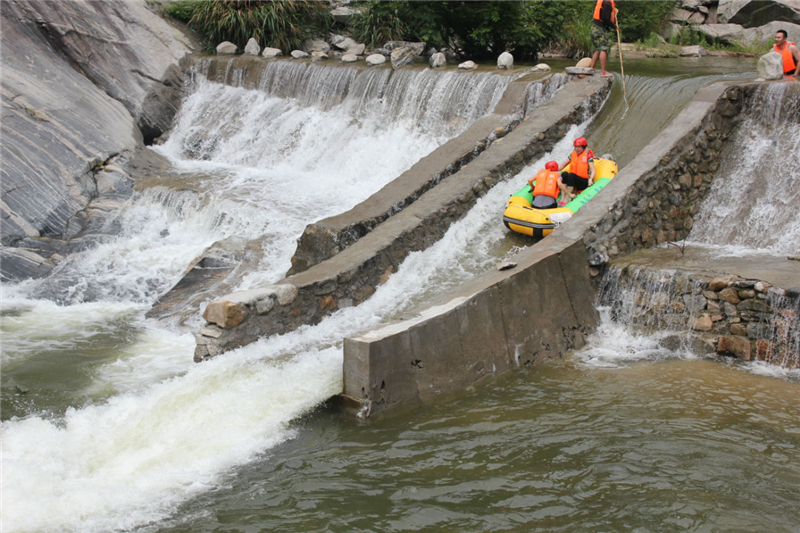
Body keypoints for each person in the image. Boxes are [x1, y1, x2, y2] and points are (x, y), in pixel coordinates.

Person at [557, 137, 595, 204]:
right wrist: (554, 171)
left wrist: (591, 179)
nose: (577, 149)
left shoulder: (588, 154)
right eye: (575, 147)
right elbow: (563, 165)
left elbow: (593, 169)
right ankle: (563, 197)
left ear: (583, 147)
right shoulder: (573, 154)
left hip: (583, 181)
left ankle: (567, 198)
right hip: (573, 180)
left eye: (579, 147)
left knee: (571, 175)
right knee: (564, 174)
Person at [589, 0, 617, 78]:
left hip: (594, 28)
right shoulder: (607, 3)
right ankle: (603, 72)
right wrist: (615, 27)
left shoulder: (604, 2)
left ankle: (591, 68)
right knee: (603, 49)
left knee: (598, 49)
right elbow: (606, 19)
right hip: (599, 29)